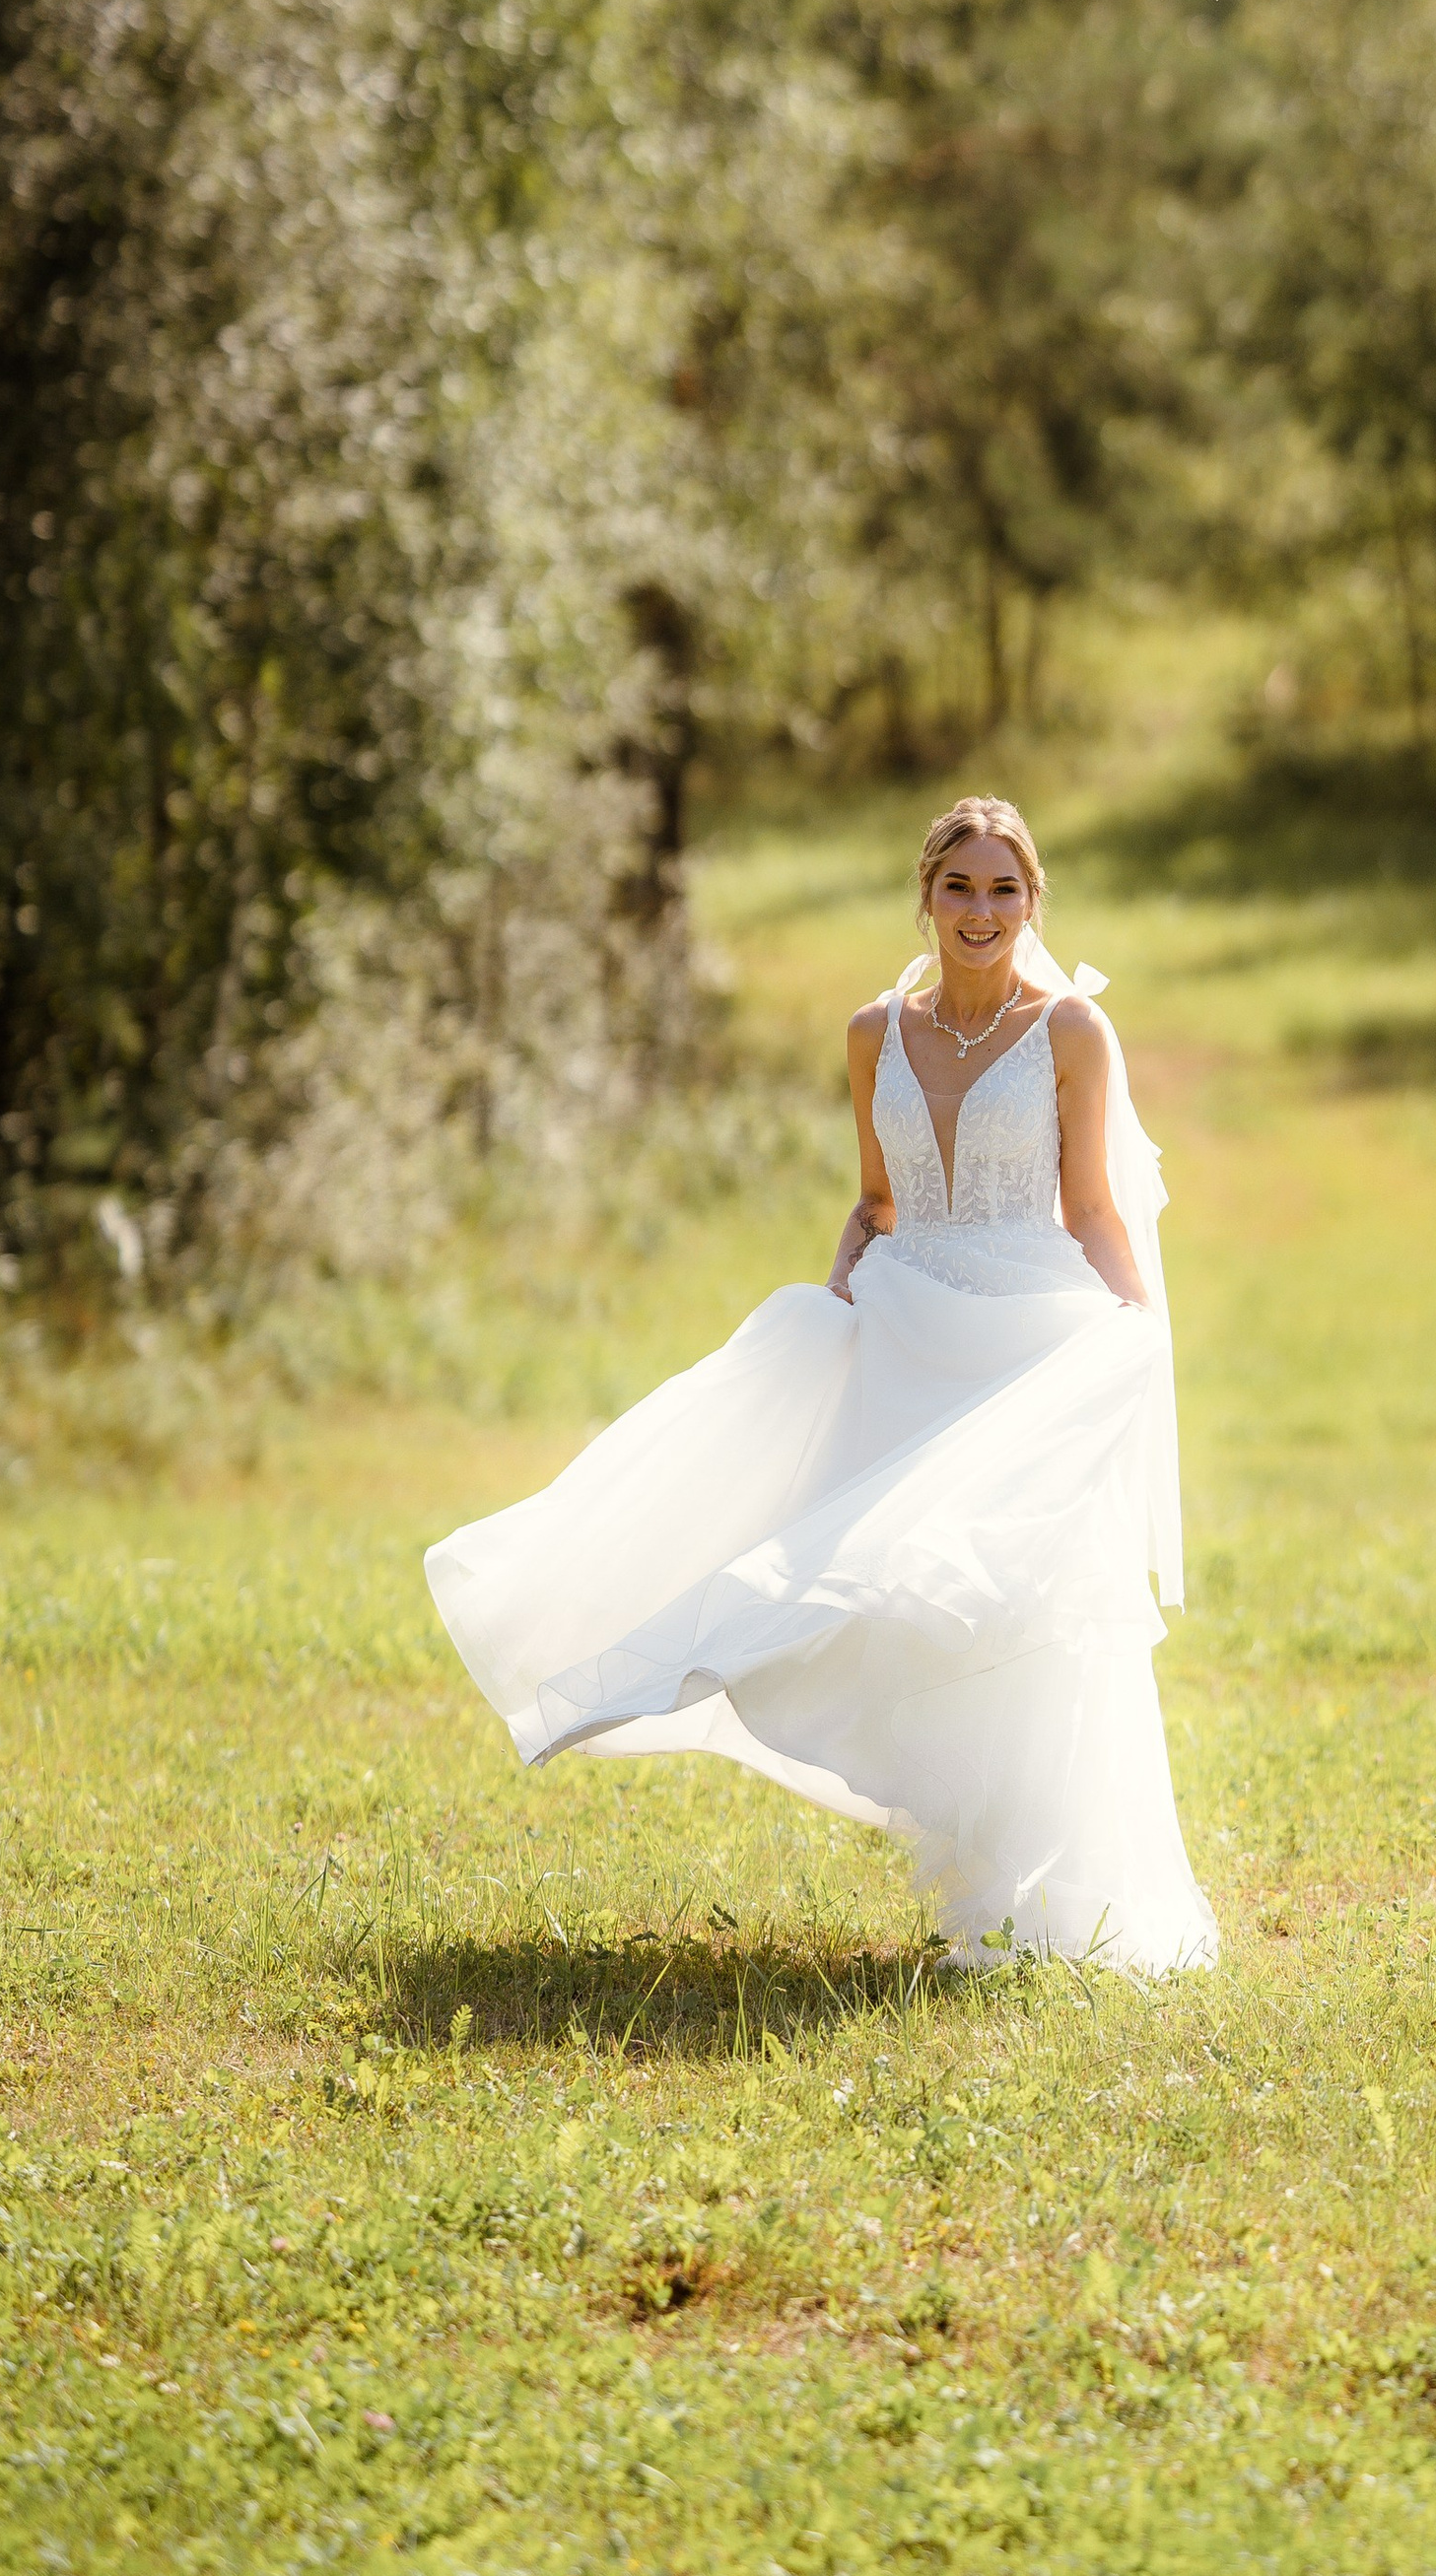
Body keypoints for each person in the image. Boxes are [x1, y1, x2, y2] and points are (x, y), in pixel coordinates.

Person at [425, 796, 1218, 1974]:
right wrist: (847, 1261)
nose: (982, 912)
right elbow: (878, 1195)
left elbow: (1095, 1208)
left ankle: (1059, 1904)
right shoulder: (872, 1034)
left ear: (1033, 903)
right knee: (853, 1582)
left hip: (1021, 1344)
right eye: (962, 887)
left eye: (1006, 890)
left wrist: (1134, 1341)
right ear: (927, 896)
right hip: (907, 1332)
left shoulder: (1070, 1034)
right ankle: (636, 1661)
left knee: (1029, 1614)